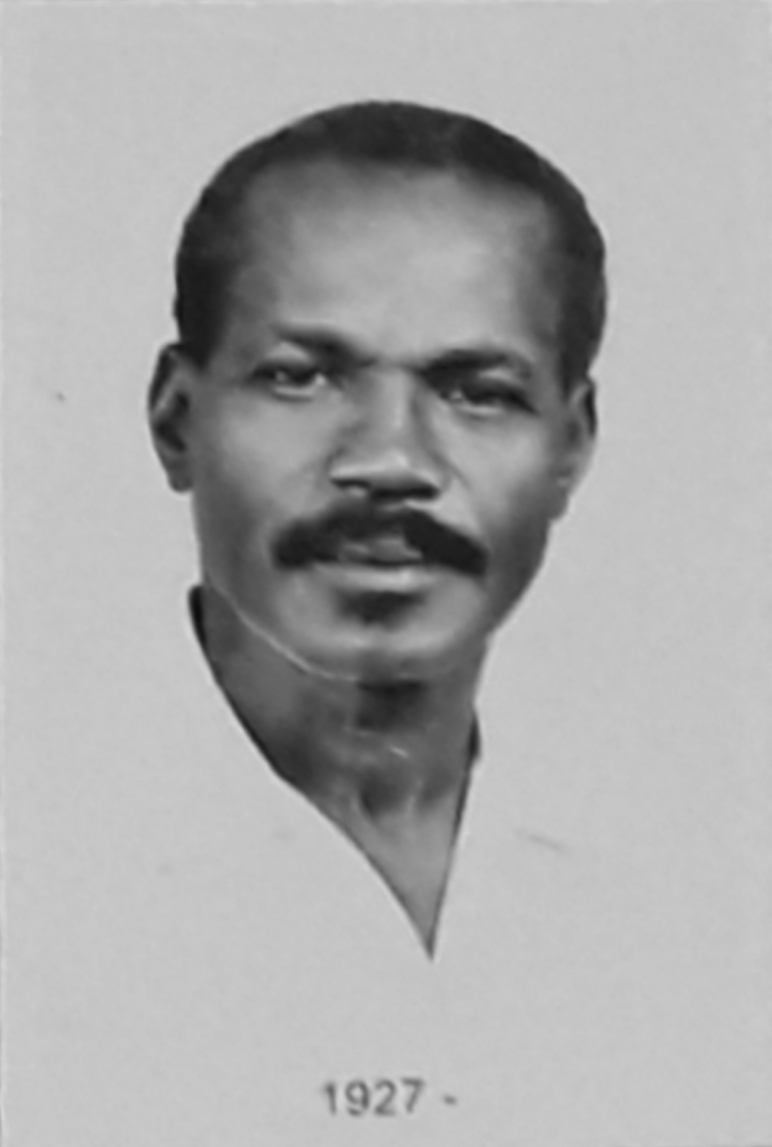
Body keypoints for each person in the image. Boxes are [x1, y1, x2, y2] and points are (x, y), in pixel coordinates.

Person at [147, 100, 602, 959]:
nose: (391, 459)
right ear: (175, 419)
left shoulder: (677, 886)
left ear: (571, 447)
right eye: (301, 378)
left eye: (479, 393)